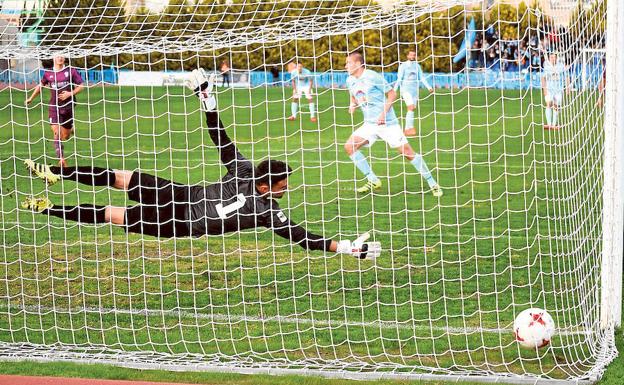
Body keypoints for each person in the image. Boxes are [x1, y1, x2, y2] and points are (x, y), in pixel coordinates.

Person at [21, 69, 381, 260]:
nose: (287, 189)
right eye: (284, 184)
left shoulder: (254, 188)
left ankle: (50, 200)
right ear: (267, 185)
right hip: (181, 206)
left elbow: (219, 137)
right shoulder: (262, 202)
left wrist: (207, 99)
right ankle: (55, 178)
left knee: (113, 203)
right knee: (118, 188)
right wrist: (348, 247)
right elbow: (303, 239)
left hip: (179, 214)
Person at [344, 52, 442, 196]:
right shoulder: (350, 80)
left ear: (358, 64)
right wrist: (352, 104)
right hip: (370, 124)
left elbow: (392, 94)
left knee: (408, 153)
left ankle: (433, 183)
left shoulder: (372, 76)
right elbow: (353, 95)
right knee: (349, 146)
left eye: (348, 63)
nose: (346, 66)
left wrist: (383, 114)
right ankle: (373, 180)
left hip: (388, 124)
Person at [25, 55, 84, 168]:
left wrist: (69, 94)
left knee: (65, 136)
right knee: (57, 132)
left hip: (67, 107)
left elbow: (81, 86)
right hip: (54, 107)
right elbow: (40, 86)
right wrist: (31, 98)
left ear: (65, 59)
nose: (60, 58)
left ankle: (70, 129)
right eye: (58, 56)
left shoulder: (71, 71)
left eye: (62, 56)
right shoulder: (48, 74)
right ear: (53, 58)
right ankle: (61, 158)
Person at [394, 49, 433, 136]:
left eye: (414, 55)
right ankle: (410, 128)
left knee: (411, 109)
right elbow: (399, 79)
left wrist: (429, 87)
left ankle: (407, 129)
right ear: (407, 56)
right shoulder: (403, 66)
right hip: (405, 90)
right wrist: (394, 90)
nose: (412, 56)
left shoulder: (417, 66)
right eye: (411, 55)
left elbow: (422, 77)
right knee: (411, 107)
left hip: (414, 91)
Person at [541, 52, 569, 130]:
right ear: (549, 58)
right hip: (549, 89)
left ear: (556, 58)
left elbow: (566, 76)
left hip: (558, 89)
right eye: (551, 57)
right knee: (548, 104)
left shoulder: (560, 66)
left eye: (554, 57)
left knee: (556, 106)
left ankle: (554, 124)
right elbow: (543, 78)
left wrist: (567, 87)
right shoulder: (546, 66)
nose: (553, 59)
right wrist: (544, 89)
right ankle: (549, 124)